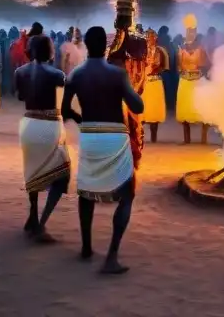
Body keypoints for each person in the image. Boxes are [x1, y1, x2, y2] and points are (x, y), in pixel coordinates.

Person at [62, 26, 144, 275]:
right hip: (115, 137)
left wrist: (85, 120)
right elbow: (137, 106)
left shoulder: (76, 74)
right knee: (126, 194)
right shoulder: (117, 74)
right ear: (105, 46)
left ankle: (86, 247)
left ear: (87, 45)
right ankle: (111, 257)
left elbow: (65, 111)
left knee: (86, 192)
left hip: (90, 137)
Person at [15, 34, 70, 242]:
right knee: (61, 176)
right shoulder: (57, 75)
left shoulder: (20, 72)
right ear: (50, 52)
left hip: (28, 123)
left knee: (33, 173)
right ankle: (41, 223)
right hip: (50, 125)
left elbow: (20, 96)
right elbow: (65, 101)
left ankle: (32, 215)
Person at [106, 0, 148, 165]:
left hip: (129, 92)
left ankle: (130, 158)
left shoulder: (138, 41)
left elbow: (143, 69)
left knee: (131, 126)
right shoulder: (112, 42)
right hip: (119, 94)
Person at [176, 14, 209, 145]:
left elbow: (205, 64)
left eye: (192, 32)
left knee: (202, 109)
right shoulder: (181, 49)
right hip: (184, 80)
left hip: (197, 80)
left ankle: (204, 138)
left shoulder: (201, 49)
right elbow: (179, 66)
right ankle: (187, 139)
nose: (190, 34)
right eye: (188, 32)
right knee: (184, 110)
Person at [142, 29, 169, 143]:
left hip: (156, 81)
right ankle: (140, 137)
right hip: (144, 82)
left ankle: (154, 137)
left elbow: (165, 67)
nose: (150, 39)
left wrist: (155, 69)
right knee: (141, 111)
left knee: (154, 111)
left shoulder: (161, 51)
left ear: (156, 38)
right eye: (148, 37)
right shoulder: (141, 51)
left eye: (152, 36)